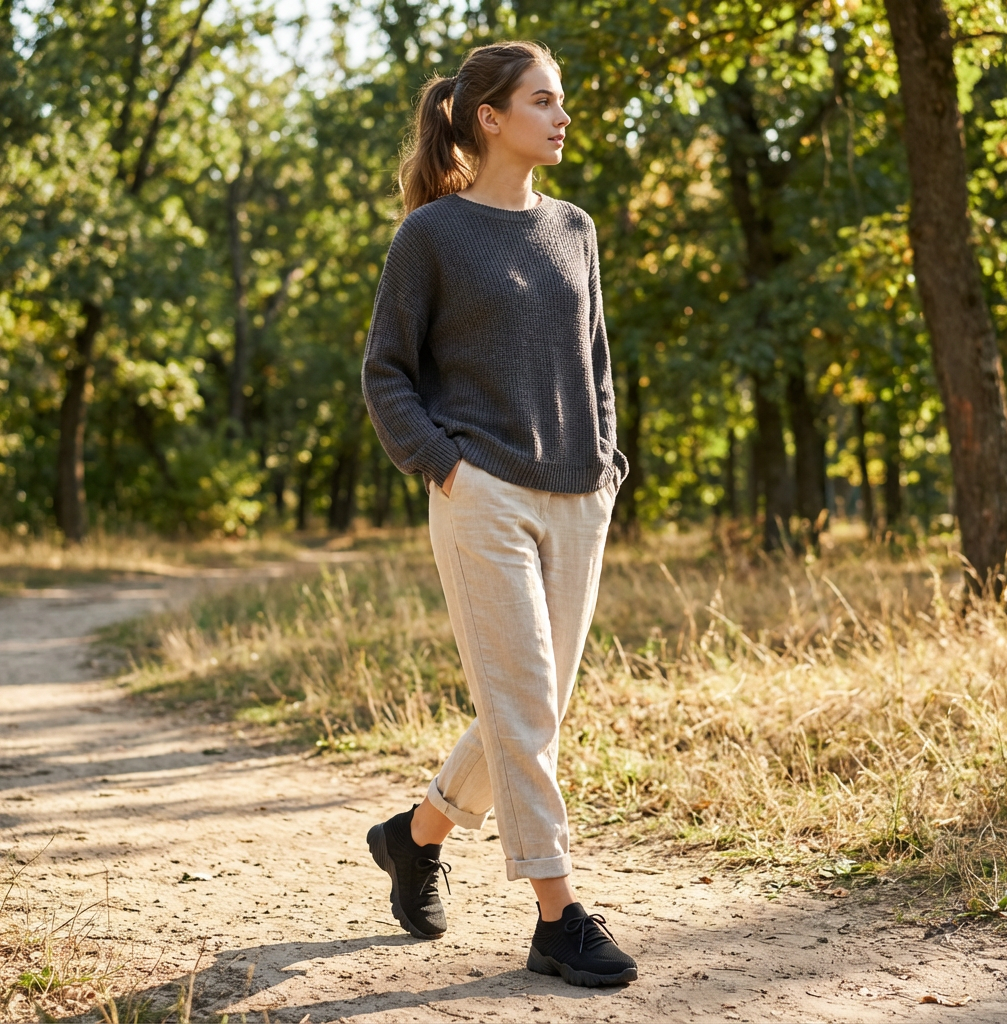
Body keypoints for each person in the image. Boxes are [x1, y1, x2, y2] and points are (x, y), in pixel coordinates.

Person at [360, 39, 636, 988]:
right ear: (490, 117)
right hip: (481, 495)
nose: (562, 116)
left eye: (561, 100)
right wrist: (446, 470)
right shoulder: (431, 236)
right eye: (543, 101)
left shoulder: (574, 228)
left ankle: (416, 835)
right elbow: (386, 373)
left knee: (534, 707)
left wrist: (606, 468)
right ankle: (558, 917)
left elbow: (596, 363)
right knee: (522, 707)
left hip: (579, 495)